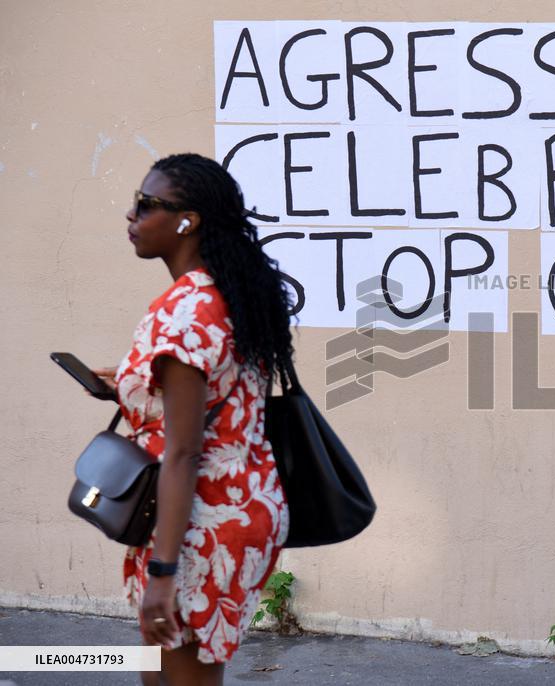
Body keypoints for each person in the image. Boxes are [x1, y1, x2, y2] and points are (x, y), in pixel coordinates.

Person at [91, 153, 295, 685]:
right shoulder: (227, 293)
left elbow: (184, 450)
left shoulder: (184, 312)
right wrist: (134, 386)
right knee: (158, 675)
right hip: (236, 503)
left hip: (200, 523)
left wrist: (163, 573)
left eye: (145, 204)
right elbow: (215, 393)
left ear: (187, 220)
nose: (131, 216)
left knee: (180, 679)